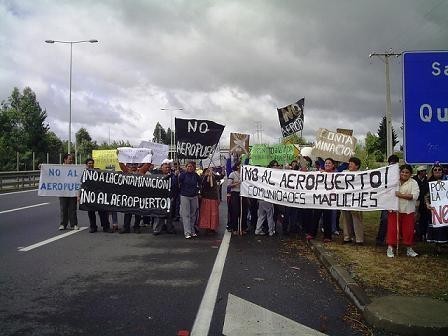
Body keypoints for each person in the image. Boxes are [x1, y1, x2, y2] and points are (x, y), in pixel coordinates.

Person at [386, 164, 420, 258]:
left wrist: (400, 195)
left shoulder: (413, 183)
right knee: (392, 229)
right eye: (403, 172)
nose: (404, 174)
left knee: (408, 230)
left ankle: (409, 248)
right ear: (399, 172)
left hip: (408, 210)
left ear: (410, 174)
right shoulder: (394, 182)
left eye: (407, 172)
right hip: (394, 209)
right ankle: (390, 247)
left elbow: (414, 196)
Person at [118, 160, 152, 234]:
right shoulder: (127, 172)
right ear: (129, 165)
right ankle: (126, 227)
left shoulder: (140, 172)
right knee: (127, 212)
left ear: (137, 165)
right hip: (129, 196)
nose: (133, 166)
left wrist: (149, 157)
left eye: (135, 164)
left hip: (138, 196)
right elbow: (121, 165)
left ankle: (136, 227)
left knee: (138, 212)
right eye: (131, 164)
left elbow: (147, 165)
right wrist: (120, 157)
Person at [376, 154, 400, 246]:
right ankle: (380, 239)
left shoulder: (401, 172)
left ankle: (395, 239)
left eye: (394, 163)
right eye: (391, 163)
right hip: (387, 200)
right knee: (385, 219)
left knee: (396, 220)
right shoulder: (384, 173)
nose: (392, 165)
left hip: (398, 199)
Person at [340, 157, 364, 245]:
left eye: (352, 163)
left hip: (356, 200)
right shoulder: (344, 173)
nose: (349, 164)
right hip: (345, 200)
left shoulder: (362, 174)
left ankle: (359, 239)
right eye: (349, 163)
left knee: (357, 219)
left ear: (357, 166)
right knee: (345, 219)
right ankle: (347, 237)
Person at [84, 158, 112, 233]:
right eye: (89, 163)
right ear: (86, 165)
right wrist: (79, 195)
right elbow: (82, 184)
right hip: (89, 195)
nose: (91, 164)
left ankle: (106, 227)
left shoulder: (98, 171)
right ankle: (93, 227)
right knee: (91, 212)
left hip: (99, 195)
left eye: (92, 163)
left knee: (102, 211)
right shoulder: (84, 173)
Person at [425, 164, 448, 244]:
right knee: (437, 227)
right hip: (435, 210)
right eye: (435, 170)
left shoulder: (447, 180)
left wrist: (443, 183)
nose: (437, 171)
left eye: (439, 169)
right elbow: (426, 196)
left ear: (442, 171)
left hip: (446, 210)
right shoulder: (429, 182)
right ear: (432, 171)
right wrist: (427, 204)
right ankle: (438, 246)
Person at [179, 161, 202, 239]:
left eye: (191, 166)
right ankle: (187, 232)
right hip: (185, 196)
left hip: (194, 196)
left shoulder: (196, 175)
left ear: (194, 168)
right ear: (186, 167)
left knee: (193, 214)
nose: (189, 168)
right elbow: (178, 183)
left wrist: (197, 190)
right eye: (188, 166)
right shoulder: (183, 175)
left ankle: (192, 231)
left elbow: (200, 183)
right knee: (186, 215)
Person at [152, 161, 176, 235]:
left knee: (169, 214)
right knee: (159, 214)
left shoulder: (172, 176)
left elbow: (175, 186)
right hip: (160, 198)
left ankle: (170, 228)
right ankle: (157, 229)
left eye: (168, 167)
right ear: (161, 167)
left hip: (169, 197)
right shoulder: (157, 175)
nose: (167, 169)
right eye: (166, 167)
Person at [254, 160, 277, 237]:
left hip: (261, 198)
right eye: (275, 165)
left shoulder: (262, 178)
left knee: (261, 216)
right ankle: (271, 231)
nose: (276, 167)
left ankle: (258, 230)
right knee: (270, 216)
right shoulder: (272, 177)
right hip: (268, 198)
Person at [228, 161, 248, 234]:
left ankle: (243, 228)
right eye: (241, 165)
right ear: (237, 166)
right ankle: (234, 228)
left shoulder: (245, 174)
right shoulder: (232, 174)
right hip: (235, 193)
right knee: (235, 211)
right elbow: (229, 185)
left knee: (244, 211)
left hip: (243, 194)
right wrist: (237, 183)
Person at [59, 153, 78, 230]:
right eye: (70, 159)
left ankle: (74, 224)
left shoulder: (74, 168)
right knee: (63, 208)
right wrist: (42, 167)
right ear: (65, 159)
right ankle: (63, 224)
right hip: (63, 191)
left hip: (72, 191)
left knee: (73, 208)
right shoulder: (59, 168)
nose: (71, 160)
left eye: (72, 159)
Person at [198, 167, 220, 233]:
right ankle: (207, 226)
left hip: (213, 197)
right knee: (206, 213)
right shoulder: (203, 178)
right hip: (206, 197)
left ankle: (212, 227)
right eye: (208, 171)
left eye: (210, 170)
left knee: (213, 214)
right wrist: (207, 177)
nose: (210, 171)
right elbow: (204, 185)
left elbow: (220, 177)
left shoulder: (213, 176)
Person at [413, 165, 430, 241]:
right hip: (416, 202)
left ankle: (423, 233)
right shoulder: (414, 180)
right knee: (416, 218)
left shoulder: (427, 180)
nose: (425, 173)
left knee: (424, 218)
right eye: (423, 171)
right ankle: (416, 234)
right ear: (420, 172)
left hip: (424, 202)